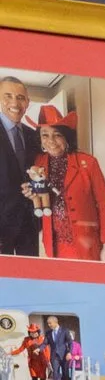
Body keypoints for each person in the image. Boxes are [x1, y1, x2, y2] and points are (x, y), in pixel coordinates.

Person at [26, 109, 105, 261]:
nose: (51, 141)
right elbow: (39, 196)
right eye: (45, 135)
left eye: (57, 135)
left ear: (66, 137)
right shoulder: (38, 162)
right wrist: (30, 194)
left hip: (85, 243)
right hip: (53, 245)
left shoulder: (88, 163)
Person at [0, 76, 39, 255]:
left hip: (29, 226)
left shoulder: (35, 136)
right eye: (8, 96)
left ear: (28, 102)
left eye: (20, 97)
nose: (15, 102)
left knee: (30, 279)